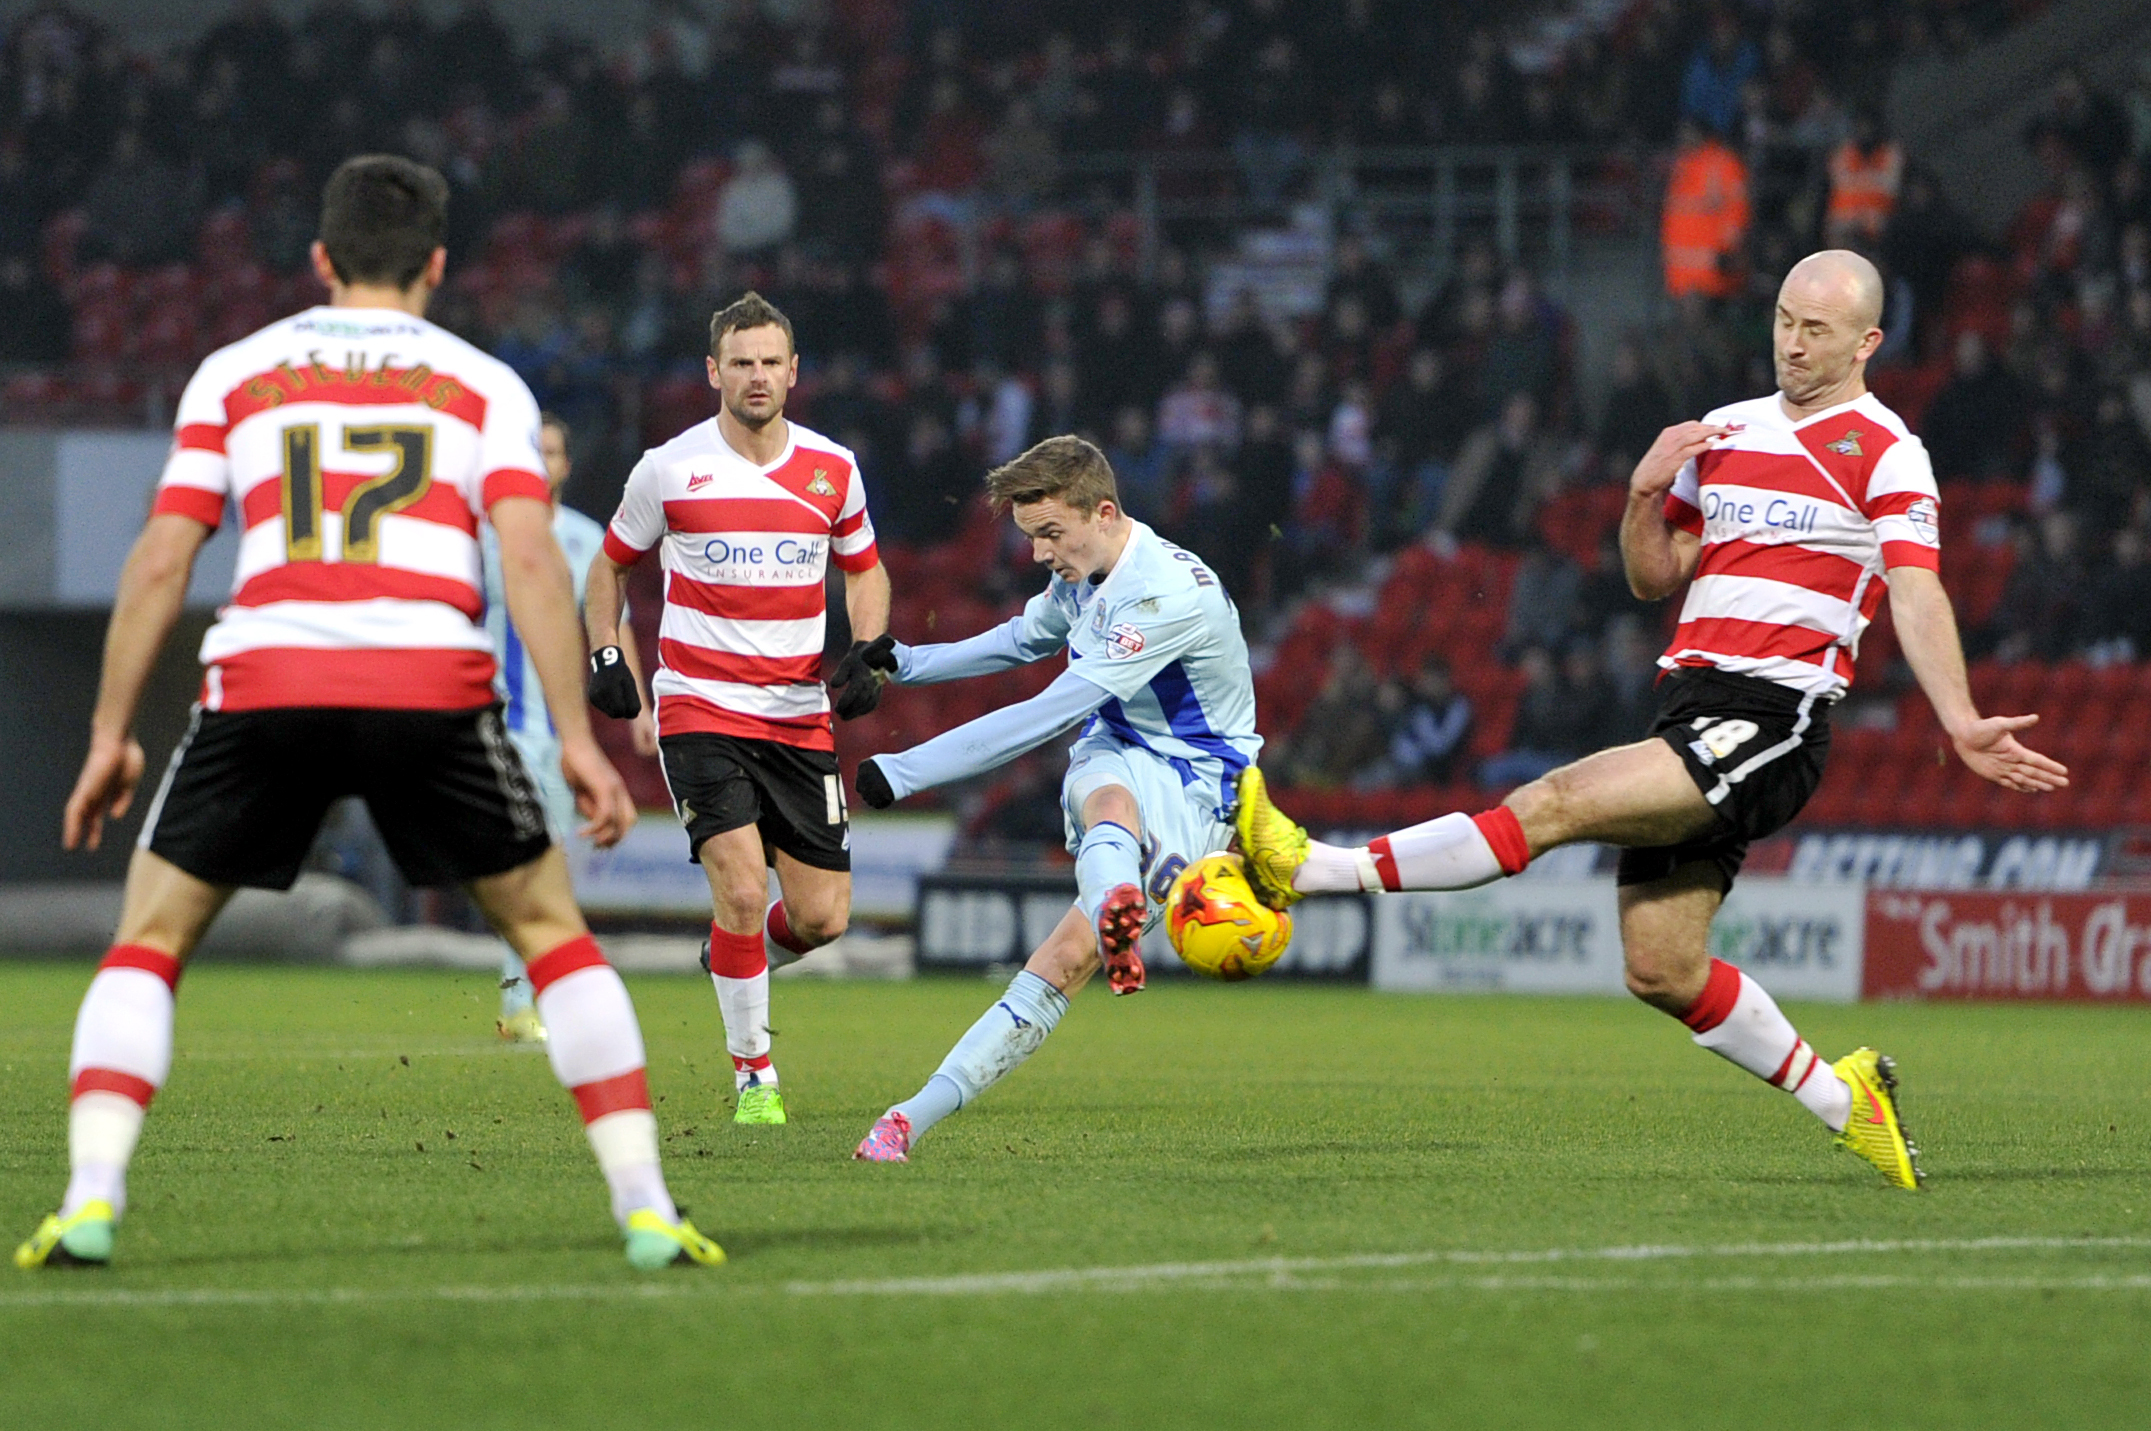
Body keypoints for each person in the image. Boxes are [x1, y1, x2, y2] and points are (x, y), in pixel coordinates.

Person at [15, 156, 720, 1272]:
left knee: (147, 943)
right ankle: (643, 1209)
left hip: (266, 679)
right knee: (548, 935)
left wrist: (110, 729)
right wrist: (580, 740)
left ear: (320, 259)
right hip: (428, 682)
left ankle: (91, 1199)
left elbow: (163, 555)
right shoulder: (484, 384)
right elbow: (530, 557)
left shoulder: (235, 373)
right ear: (438, 263)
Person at [1236, 250, 2070, 1192]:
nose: (1791, 345)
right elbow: (1652, 576)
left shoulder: (1885, 450)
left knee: (1558, 798)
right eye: (1784, 321)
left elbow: (1914, 591)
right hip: (1689, 703)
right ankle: (1848, 1105)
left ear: (1868, 342)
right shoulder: (1725, 430)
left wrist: (1956, 717)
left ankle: (1310, 868)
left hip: (1775, 715)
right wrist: (1640, 495)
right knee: (1661, 967)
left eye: (1817, 331)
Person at [846, 435, 1259, 1162]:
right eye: (1032, 537)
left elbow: (1046, 710)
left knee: (1067, 956)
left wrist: (907, 770)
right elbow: (1022, 638)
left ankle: (1107, 912)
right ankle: (902, 1122)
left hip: (1199, 784)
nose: (1039, 554)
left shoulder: (1160, 595)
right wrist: (905, 663)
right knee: (1104, 791)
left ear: (1102, 512)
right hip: (1119, 748)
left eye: (1048, 534)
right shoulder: (1086, 571)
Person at [584, 291, 890, 1128]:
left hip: (795, 713)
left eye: (770, 362)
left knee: (824, 918)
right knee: (744, 889)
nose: (757, 376)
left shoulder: (833, 468)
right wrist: (608, 654)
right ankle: (755, 1073)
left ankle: (732, 956)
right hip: (700, 707)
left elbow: (863, 569)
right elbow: (607, 567)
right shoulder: (669, 467)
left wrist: (867, 646)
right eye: (741, 362)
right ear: (712, 371)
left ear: (794, 373)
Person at [483, 412, 656, 1044]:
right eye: (532, 452)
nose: (540, 463)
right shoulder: (483, 538)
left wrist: (638, 709)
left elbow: (614, 627)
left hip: (556, 736)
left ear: (566, 466)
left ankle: (520, 998)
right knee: (532, 855)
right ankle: (522, 998)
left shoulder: (587, 541)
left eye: (551, 452)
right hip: (490, 724)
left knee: (542, 861)